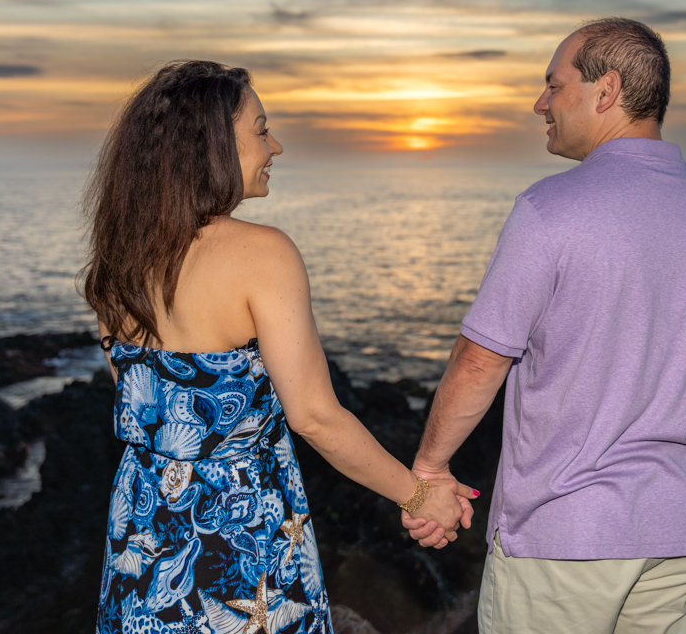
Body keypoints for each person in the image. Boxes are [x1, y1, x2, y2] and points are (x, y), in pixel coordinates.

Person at [82, 61, 477, 634]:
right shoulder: (262, 254)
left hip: (143, 535)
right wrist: (419, 496)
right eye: (261, 129)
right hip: (240, 542)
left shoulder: (116, 264)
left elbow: (150, 413)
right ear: (211, 146)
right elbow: (315, 416)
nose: (277, 146)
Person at [403, 19, 686, 634]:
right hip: (681, 533)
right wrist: (678, 488)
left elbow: (480, 361)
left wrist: (430, 471)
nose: (540, 103)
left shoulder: (550, 210)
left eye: (554, 84)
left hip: (564, 535)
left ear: (606, 90)